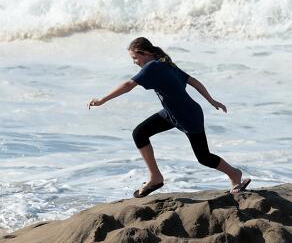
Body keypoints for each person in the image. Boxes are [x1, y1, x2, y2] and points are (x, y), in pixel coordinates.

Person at [88, 37, 250, 198]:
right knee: (140, 133)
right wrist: (210, 100)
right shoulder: (165, 64)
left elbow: (129, 85)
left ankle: (234, 174)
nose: (134, 62)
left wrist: (102, 100)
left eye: (135, 58)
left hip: (188, 116)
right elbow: (193, 81)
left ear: (144, 53)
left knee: (204, 157)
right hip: (172, 113)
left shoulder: (153, 67)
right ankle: (155, 177)